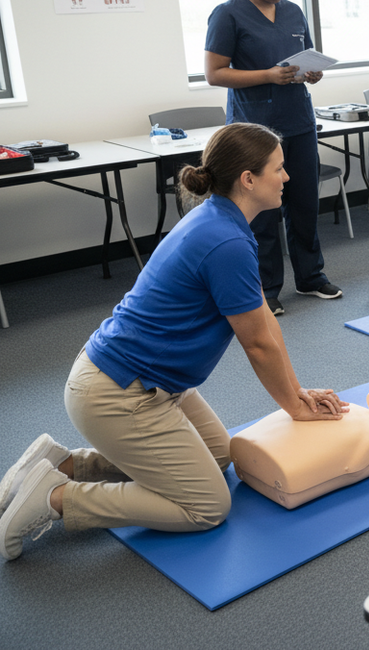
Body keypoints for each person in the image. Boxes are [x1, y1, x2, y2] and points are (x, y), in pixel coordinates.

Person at [0, 123, 348, 561]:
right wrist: (295, 408)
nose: (288, 177)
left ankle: (63, 462)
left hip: (144, 382)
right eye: (278, 169)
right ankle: (55, 496)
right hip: (119, 394)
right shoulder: (226, 240)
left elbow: (263, 322)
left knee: (221, 455)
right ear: (248, 178)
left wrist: (296, 393)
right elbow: (257, 345)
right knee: (207, 505)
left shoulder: (222, 219)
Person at [204, 0, 342, 316]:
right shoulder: (227, 14)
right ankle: (266, 289)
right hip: (255, 129)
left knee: (303, 203)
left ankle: (311, 277)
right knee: (262, 211)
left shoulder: (294, 12)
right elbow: (215, 74)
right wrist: (268, 75)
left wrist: (310, 74)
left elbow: (305, 60)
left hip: (298, 121)